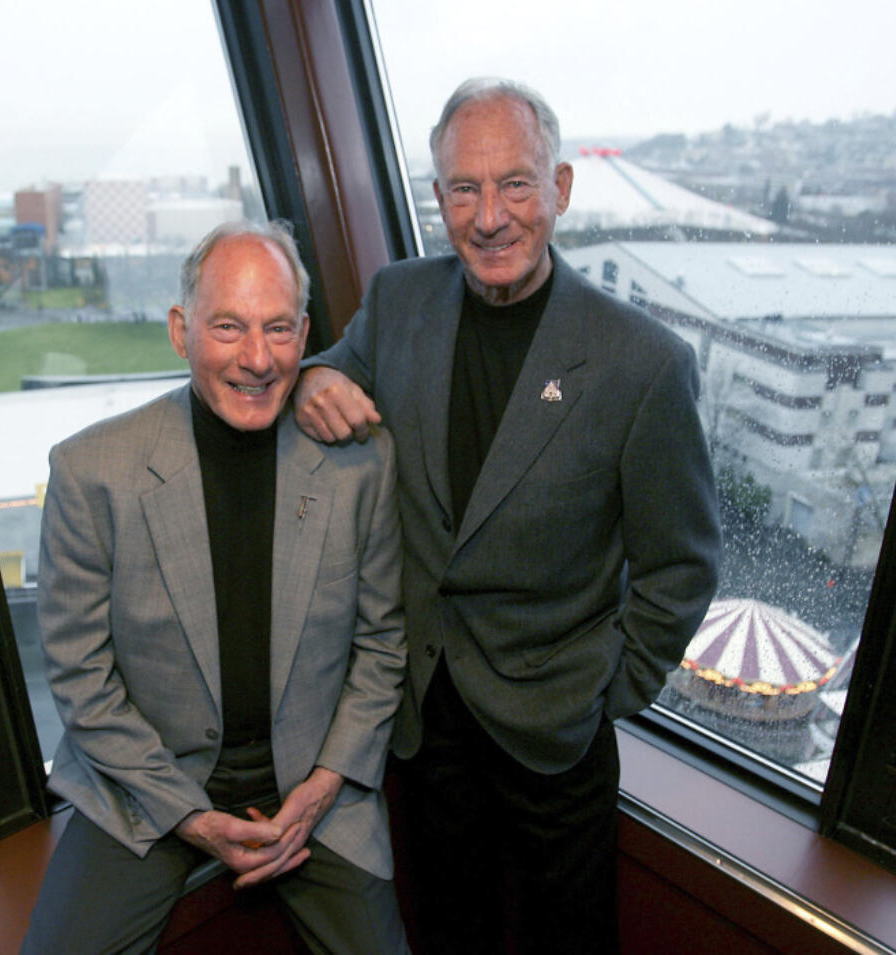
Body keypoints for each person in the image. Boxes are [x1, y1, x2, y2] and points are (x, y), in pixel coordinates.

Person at [294, 78, 721, 954]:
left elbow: (683, 566)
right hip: (425, 720)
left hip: (556, 734)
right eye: (464, 188)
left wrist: (601, 690)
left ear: (559, 189)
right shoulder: (400, 298)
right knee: (452, 931)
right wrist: (313, 376)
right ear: (439, 196)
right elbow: (338, 365)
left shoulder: (643, 363)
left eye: (515, 184)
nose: (489, 216)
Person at [23, 220, 410, 954]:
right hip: (142, 786)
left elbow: (382, 645)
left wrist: (324, 785)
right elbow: (81, 677)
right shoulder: (90, 472)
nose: (258, 359)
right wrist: (191, 817)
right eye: (228, 327)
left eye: (278, 329)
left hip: (315, 793)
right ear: (180, 330)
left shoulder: (362, 466)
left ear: (305, 332)